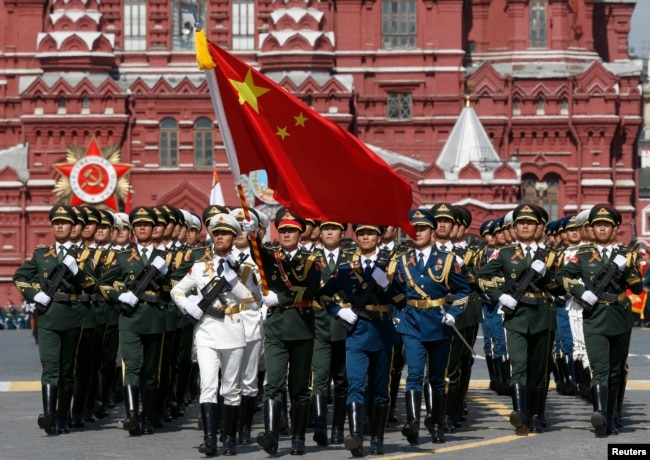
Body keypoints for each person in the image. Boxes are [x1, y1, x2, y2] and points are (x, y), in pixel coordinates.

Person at [171, 212, 257, 456]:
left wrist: (236, 284)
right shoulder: (200, 267)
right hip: (207, 331)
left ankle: (228, 438)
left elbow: (254, 302)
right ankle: (210, 439)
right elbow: (177, 290)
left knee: (230, 389)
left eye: (225, 234)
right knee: (208, 385)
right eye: (216, 233)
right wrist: (188, 305)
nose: (219, 237)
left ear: (234, 237)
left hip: (233, 328)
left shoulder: (245, 268)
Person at [555, 204, 643, 437]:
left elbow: (637, 287)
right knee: (599, 367)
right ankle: (601, 415)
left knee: (616, 369)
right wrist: (580, 291)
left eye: (606, 225)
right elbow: (562, 276)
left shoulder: (627, 255)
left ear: (615, 228)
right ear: (592, 229)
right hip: (593, 316)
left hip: (619, 315)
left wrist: (628, 269)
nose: (602, 229)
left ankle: (613, 414)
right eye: (598, 226)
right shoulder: (582, 255)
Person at [319, 223, 404, 456]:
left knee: (379, 389)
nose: (365, 237)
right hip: (357, 331)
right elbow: (324, 293)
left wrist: (387, 284)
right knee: (355, 383)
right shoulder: (346, 268)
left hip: (383, 330)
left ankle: (377, 438)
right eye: (361, 233)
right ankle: (356, 436)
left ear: (378, 237)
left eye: (370, 233)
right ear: (356, 237)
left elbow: (402, 300)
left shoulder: (390, 265)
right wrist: (338, 311)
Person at [13, 205, 96, 435]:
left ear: (72, 227)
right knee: (50, 366)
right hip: (48, 316)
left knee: (67, 369)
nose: (60, 226)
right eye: (56, 222)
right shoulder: (42, 254)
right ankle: (49, 416)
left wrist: (76, 271)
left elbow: (93, 284)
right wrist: (34, 293)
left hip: (72, 314)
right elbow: (19, 276)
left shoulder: (84, 254)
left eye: (64, 222)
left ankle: (63, 416)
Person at [476, 204, 557, 435]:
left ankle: (536, 414)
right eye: (521, 223)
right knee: (519, 364)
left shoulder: (550, 255)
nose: (525, 226)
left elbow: (559, 286)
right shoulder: (505, 253)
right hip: (517, 315)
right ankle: (520, 415)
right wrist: (500, 295)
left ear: (539, 227)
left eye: (529, 223)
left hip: (543, 314)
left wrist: (547, 274)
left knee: (539, 368)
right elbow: (482, 277)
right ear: (515, 227)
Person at [394, 209, 470, 445]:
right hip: (412, 323)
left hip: (438, 324)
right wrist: (397, 314)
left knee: (437, 378)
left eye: (422, 228)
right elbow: (395, 293)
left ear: (432, 231)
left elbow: (463, 291)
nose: (417, 233)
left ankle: (436, 423)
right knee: (414, 374)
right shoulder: (402, 261)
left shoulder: (447, 260)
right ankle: (413, 423)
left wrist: (454, 314)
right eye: (414, 229)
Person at [97, 206, 170, 436]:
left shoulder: (164, 257)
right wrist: (121, 296)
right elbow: (102, 284)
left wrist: (165, 275)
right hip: (129, 318)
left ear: (153, 228)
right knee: (132, 366)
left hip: (155, 318)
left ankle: (147, 417)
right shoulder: (121, 257)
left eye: (146, 225)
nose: (142, 228)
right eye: (138, 225)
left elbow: (173, 291)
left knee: (151, 371)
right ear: (134, 230)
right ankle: (131, 416)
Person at [255, 208, 322, 456]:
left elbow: (310, 289)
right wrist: (252, 232)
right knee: (273, 383)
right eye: (282, 230)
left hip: (302, 327)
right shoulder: (270, 255)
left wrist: (279, 298)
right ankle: (271, 435)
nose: (286, 234)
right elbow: (256, 252)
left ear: (299, 232)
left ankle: (297, 438)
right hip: (276, 328)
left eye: (291, 230)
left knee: (300, 387)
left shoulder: (312, 258)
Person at [310, 220, 351, 447]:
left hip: (345, 326)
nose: (329, 232)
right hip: (319, 324)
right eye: (325, 229)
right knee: (321, 378)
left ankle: (337, 428)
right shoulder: (310, 259)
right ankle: (319, 427)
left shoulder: (351, 259)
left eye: (333, 229)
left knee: (342, 379)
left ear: (341, 232)